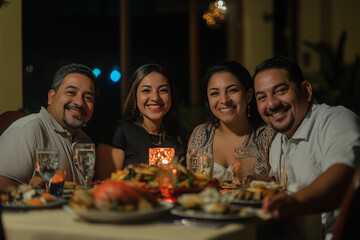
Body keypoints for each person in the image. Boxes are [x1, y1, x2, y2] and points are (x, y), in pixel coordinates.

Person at [253, 56, 360, 239]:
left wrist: (293, 202)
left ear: (306, 90)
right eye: (262, 97)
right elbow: (286, 187)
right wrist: (258, 182)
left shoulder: (336, 120)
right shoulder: (278, 141)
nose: (271, 104)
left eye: (280, 90)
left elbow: (344, 177)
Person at [0, 63, 97, 192]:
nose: (79, 102)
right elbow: (3, 186)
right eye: (71, 92)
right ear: (51, 97)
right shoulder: (27, 130)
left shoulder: (85, 142)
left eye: (88, 98)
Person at [187, 61, 276, 182]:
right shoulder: (200, 134)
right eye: (214, 93)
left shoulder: (268, 135)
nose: (224, 100)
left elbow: (283, 185)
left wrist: (257, 180)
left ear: (248, 95)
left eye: (232, 90)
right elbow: (190, 182)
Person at [95, 63, 186, 180]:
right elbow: (105, 186)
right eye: (146, 90)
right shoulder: (120, 131)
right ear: (134, 97)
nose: (155, 98)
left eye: (163, 90)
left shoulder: (177, 135)